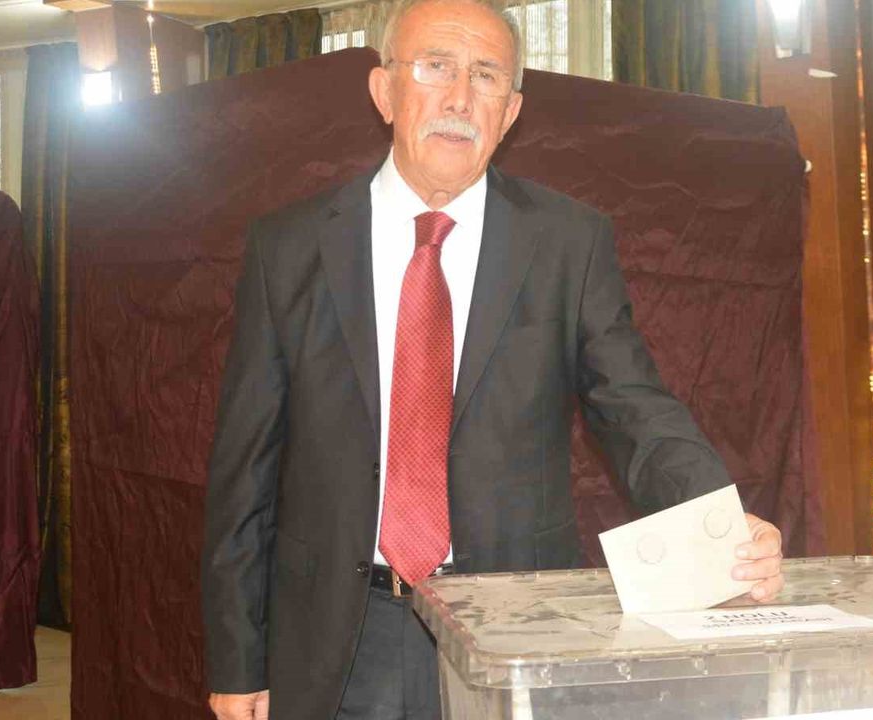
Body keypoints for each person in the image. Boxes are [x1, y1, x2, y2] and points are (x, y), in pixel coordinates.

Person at [201, 1, 784, 719]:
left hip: (512, 629)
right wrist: (238, 661)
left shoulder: (568, 243)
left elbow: (635, 410)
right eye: (435, 67)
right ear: (384, 91)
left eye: (485, 76)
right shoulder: (288, 247)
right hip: (335, 639)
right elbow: (244, 472)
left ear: (510, 112)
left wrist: (719, 524)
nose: (459, 98)